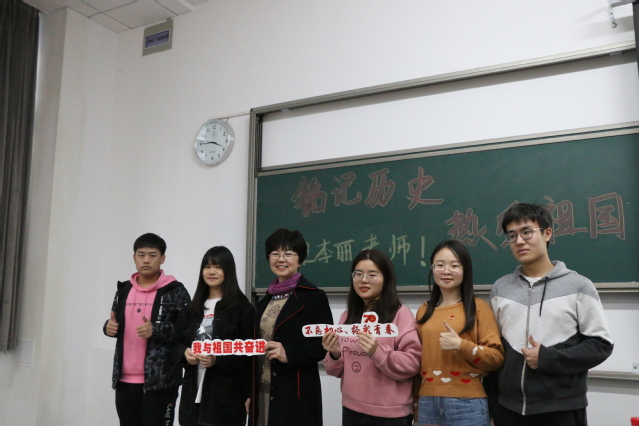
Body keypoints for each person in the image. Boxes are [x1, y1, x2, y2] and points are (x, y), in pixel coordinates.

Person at [489, 203, 613, 425]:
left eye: (527, 232)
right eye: (512, 235)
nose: (519, 241)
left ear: (547, 233)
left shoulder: (578, 286)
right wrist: (493, 405)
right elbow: (494, 348)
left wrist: (548, 359)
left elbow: (600, 345)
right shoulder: (501, 289)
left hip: (562, 409)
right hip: (509, 409)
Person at [323, 249, 421, 426]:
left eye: (372, 274)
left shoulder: (400, 314)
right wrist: (334, 353)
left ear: (386, 279)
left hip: (390, 414)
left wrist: (377, 352)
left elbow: (412, 363)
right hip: (351, 408)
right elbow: (334, 370)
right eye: (358, 274)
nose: (363, 280)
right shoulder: (347, 316)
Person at [103, 233, 191, 426]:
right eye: (141, 255)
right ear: (134, 258)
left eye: (152, 255)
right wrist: (108, 328)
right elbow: (116, 323)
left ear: (162, 258)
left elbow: (188, 330)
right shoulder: (124, 290)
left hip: (161, 382)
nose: (146, 260)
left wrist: (156, 330)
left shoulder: (175, 290)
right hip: (124, 380)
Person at [249, 228, 333, 426]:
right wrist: (248, 393)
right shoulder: (264, 301)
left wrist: (289, 353)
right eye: (275, 254)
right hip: (262, 390)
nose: (281, 259)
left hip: (294, 393)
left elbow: (322, 346)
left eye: (288, 254)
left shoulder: (314, 297)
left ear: (299, 258)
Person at [415, 240, 504, 426]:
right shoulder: (423, 311)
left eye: (454, 265)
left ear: (465, 270)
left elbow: (496, 358)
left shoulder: (479, 308)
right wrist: (416, 405)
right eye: (440, 265)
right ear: (432, 268)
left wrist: (462, 346)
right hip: (427, 403)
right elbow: (417, 361)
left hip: (468, 404)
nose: (446, 271)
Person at [174, 246, 255, 426]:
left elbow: (249, 355)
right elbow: (175, 344)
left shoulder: (243, 309)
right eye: (207, 266)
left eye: (218, 267)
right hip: (191, 397)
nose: (211, 272)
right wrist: (184, 353)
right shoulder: (191, 309)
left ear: (228, 271)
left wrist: (217, 359)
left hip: (225, 399)